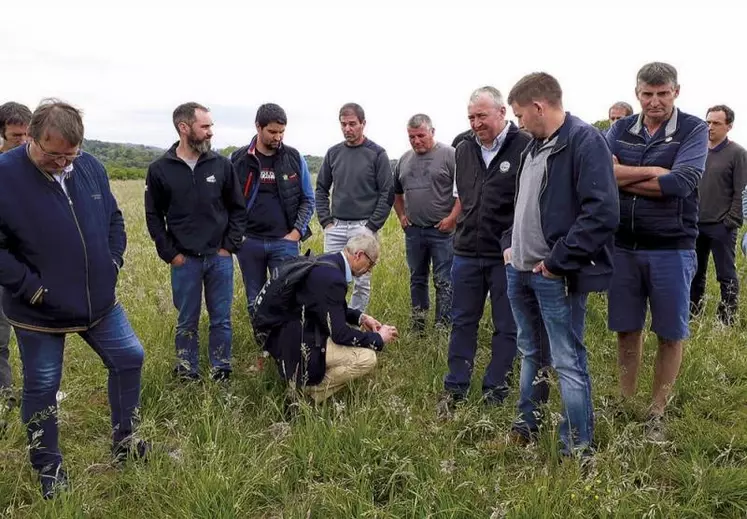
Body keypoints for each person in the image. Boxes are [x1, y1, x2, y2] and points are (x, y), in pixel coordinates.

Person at [0, 99, 147, 498]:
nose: (64, 164)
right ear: (30, 137)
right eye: (54, 155)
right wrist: (30, 287)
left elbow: (114, 217)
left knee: (129, 357)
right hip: (38, 309)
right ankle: (48, 467)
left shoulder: (91, 167)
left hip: (99, 302)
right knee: (43, 386)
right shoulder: (5, 175)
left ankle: (126, 442)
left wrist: (113, 261)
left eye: (70, 155)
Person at [504, 73, 619, 456]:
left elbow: (601, 212)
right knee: (530, 351)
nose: (518, 123)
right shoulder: (531, 147)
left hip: (554, 275)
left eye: (520, 115)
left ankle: (577, 448)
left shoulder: (585, 142)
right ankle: (527, 426)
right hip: (519, 270)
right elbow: (521, 206)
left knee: (568, 359)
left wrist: (557, 262)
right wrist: (510, 245)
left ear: (539, 107)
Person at [605, 62, 708, 442]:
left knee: (669, 332)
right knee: (626, 329)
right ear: (637, 94)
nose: (655, 101)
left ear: (676, 92)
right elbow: (601, 173)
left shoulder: (693, 129)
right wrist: (654, 173)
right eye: (647, 94)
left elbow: (681, 183)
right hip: (624, 246)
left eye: (663, 93)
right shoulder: (619, 128)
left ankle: (657, 411)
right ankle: (625, 400)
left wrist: (624, 176)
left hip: (672, 246)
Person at [438, 86, 531, 414]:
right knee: (463, 320)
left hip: (504, 256)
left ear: (502, 112)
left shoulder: (525, 146)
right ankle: (455, 387)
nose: (476, 123)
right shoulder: (462, 148)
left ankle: (496, 387)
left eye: (482, 116)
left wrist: (512, 243)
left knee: (506, 325)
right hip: (465, 253)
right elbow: (461, 196)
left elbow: (528, 205)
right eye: (471, 117)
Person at [145, 102, 246, 382]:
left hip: (219, 258)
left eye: (211, 126)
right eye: (205, 126)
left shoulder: (222, 165)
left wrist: (229, 247)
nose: (211, 132)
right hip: (184, 260)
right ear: (184, 128)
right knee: (186, 320)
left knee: (221, 320)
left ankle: (221, 370)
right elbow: (154, 216)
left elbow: (237, 209)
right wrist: (171, 254)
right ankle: (188, 371)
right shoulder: (160, 170)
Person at [262, 234, 398, 404]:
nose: (369, 270)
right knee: (367, 358)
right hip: (300, 344)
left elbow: (327, 306)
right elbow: (339, 334)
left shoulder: (328, 262)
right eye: (371, 264)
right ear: (359, 255)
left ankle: (300, 385)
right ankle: (307, 393)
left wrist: (361, 318)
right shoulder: (333, 279)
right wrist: (378, 338)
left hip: (288, 336)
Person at [230, 103, 314, 317]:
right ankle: (263, 345)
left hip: (284, 242)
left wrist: (295, 234)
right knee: (254, 299)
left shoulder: (294, 158)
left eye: (282, 132)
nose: (278, 137)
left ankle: (285, 347)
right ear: (258, 127)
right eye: (273, 132)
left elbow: (308, 199)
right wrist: (237, 235)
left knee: (286, 297)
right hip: (249, 243)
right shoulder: (238, 159)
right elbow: (226, 201)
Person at [315, 103, 394, 312]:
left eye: (352, 124)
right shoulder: (333, 153)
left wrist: (371, 226)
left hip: (364, 227)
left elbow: (388, 192)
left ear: (363, 124)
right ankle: (331, 322)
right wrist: (326, 221)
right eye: (343, 124)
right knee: (328, 276)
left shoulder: (377, 154)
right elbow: (321, 188)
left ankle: (356, 325)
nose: (347, 129)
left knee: (361, 282)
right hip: (336, 226)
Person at [393, 114, 458, 331]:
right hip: (414, 232)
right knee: (417, 278)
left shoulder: (450, 155)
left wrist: (452, 219)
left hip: (442, 232)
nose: (416, 141)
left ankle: (443, 325)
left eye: (421, 135)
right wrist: (401, 216)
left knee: (444, 280)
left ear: (432, 131)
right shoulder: (404, 160)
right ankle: (418, 324)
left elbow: (464, 193)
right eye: (412, 137)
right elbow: (396, 192)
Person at [690, 105, 747, 324]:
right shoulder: (698, 150)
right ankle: (693, 314)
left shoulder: (738, 153)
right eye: (708, 122)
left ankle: (726, 320)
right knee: (696, 273)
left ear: (729, 126)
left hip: (722, 225)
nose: (710, 127)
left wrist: (730, 220)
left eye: (716, 123)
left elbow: (741, 190)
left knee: (725, 274)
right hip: (695, 223)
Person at [0, 101, 31, 414]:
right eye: (14, 135)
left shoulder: (36, 166)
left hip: (31, 267)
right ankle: (5, 401)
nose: (22, 141)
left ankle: (37, 396)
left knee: (33, 338)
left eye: (26, 134)